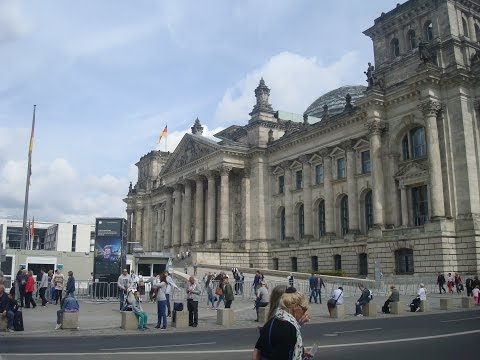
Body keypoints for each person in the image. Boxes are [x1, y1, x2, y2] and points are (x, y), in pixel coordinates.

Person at [253, 287, 313, 360]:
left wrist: (302, 351)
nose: (304, 312)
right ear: (295, 307)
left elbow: (258, 349)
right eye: (304, 309)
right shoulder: (289, 328)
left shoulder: (273, 320)